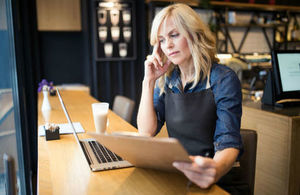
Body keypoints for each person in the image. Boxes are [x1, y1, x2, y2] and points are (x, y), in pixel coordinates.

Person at [137, 3, 244, 193]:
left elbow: (228, 141)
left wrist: (215, 170)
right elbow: (146, 131)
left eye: (174, 35)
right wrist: (149, 81)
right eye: (161, 40)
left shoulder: (223, 79)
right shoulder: (168, 79)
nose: (167, 45)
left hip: (215, 182)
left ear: (194, 34)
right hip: (178, 177)